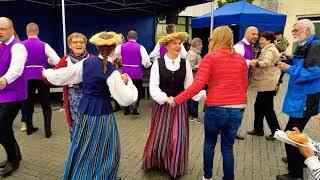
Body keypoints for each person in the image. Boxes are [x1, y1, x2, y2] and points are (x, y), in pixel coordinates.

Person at [43, 31, 138, 179]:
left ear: (98, 47)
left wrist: (48, 73)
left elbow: (65, 74)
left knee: (84, 146)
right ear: (114, 49)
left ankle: (82, 174)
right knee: (108, 149)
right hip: (102, 114)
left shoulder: (86, 62)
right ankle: (100, 175)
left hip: (84, 112)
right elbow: (126, 99)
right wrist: (130, 83)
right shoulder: (111, 72)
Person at [170, 26, 248, 180]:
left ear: (216, 39)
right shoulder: (240, 59)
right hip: (237, 108)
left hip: (216, 107)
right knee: (227, 148)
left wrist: (176, 100)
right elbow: (244, 84)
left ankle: (207, 176)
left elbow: (196, 86)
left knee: (210, 143)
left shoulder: (210, 58)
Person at [142, 32, 205, 178]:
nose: (178, 46)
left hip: (180, 106)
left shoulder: (185, 64)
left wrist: (202, 95)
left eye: (180, 43)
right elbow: (153, 87)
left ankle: (174, 166)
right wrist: (165, 99)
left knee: (177, 136)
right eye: (175, 43)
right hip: (162, 106)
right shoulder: (157, 63)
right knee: (160, 134)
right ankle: (157, 162)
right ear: (166, 46)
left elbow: (190, 86)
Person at [276, 19, 320, 180]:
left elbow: (314, 72)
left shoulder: (314, 45)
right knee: (295, 133)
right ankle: (300, 159)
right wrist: (290, 58)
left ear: (307, 31)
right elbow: (302, 63)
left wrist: (288, 68)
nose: (293, 32)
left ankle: (295, 174)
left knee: (290, 136)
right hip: (301, 98)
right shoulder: (307, 44)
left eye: (296, 30)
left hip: (304, 100)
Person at [22, 22, 60, 138]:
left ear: (27, 32)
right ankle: (48, 132)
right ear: (38, 32)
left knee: (28, 103)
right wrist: (49, 63)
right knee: (46, 104)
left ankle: (29, 128)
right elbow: (57, 61)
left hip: (26, 78)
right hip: (42, 76)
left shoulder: (21, 45)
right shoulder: (44, 45)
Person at [0, 17, 27, 176]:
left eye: (2, 29)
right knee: (5, 127)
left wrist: (5, 79)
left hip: (14, 94)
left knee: (1, 129)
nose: (0, 32)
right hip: (2, 93)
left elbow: (17, 68)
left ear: (11, 29)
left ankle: (13, 161)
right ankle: (16, 155)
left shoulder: (18, 47)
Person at [53, 32, 91, 139]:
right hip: (72, 98)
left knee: (90, 124)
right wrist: (46, 75)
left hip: (90, 97)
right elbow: (54, 77)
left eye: (81, 42)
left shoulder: (92, 59)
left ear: (85, 44)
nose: (78, 44)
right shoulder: (65, 61)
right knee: (76, 125)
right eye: (75, 42)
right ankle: (78, 151)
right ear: (70, 45)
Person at [247, 31, 281, 141]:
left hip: (268, 84)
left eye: (262, 39)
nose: (260, 41)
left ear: (269, 40)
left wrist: (255, 63)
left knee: (268, 109)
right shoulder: (268, 48)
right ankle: (258, 129)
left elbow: (266, 62)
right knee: (258, 106)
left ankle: (276, 133)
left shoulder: (270, 50)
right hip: (266, 83)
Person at [114, 30, 152, 115]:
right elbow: (146, 62)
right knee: (138, 91)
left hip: (125, 73)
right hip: (136, 73)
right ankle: (135, 108)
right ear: (137, 38)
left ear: (127, 37)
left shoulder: (121, 46)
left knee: (125, 90)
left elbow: (113, 56)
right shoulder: (140, 47)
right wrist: (145, 65)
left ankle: (126, 109)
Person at [233, 26, 259, 140]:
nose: (256, 36)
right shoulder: (239, 46)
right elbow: (232, 61)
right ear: (246, 33)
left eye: (257, 34)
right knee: (237, 108)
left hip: (243, 82)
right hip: (236, 83)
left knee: (239, 107)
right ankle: (231, 131)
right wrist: (249, 62)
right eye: (253, 34)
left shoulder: (248, 46)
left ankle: (232, 130)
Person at [186, 37, 203, 121]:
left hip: (194, 78)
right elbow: (188, 67)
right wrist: (199, 67)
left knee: (193, 96)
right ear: (197, 45)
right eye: (201, 44)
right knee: (194, 96)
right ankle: (192, 115)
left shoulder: (195, 53)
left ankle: (190, 114)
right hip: (193, 79)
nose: (202, 46)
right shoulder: (193, 54)